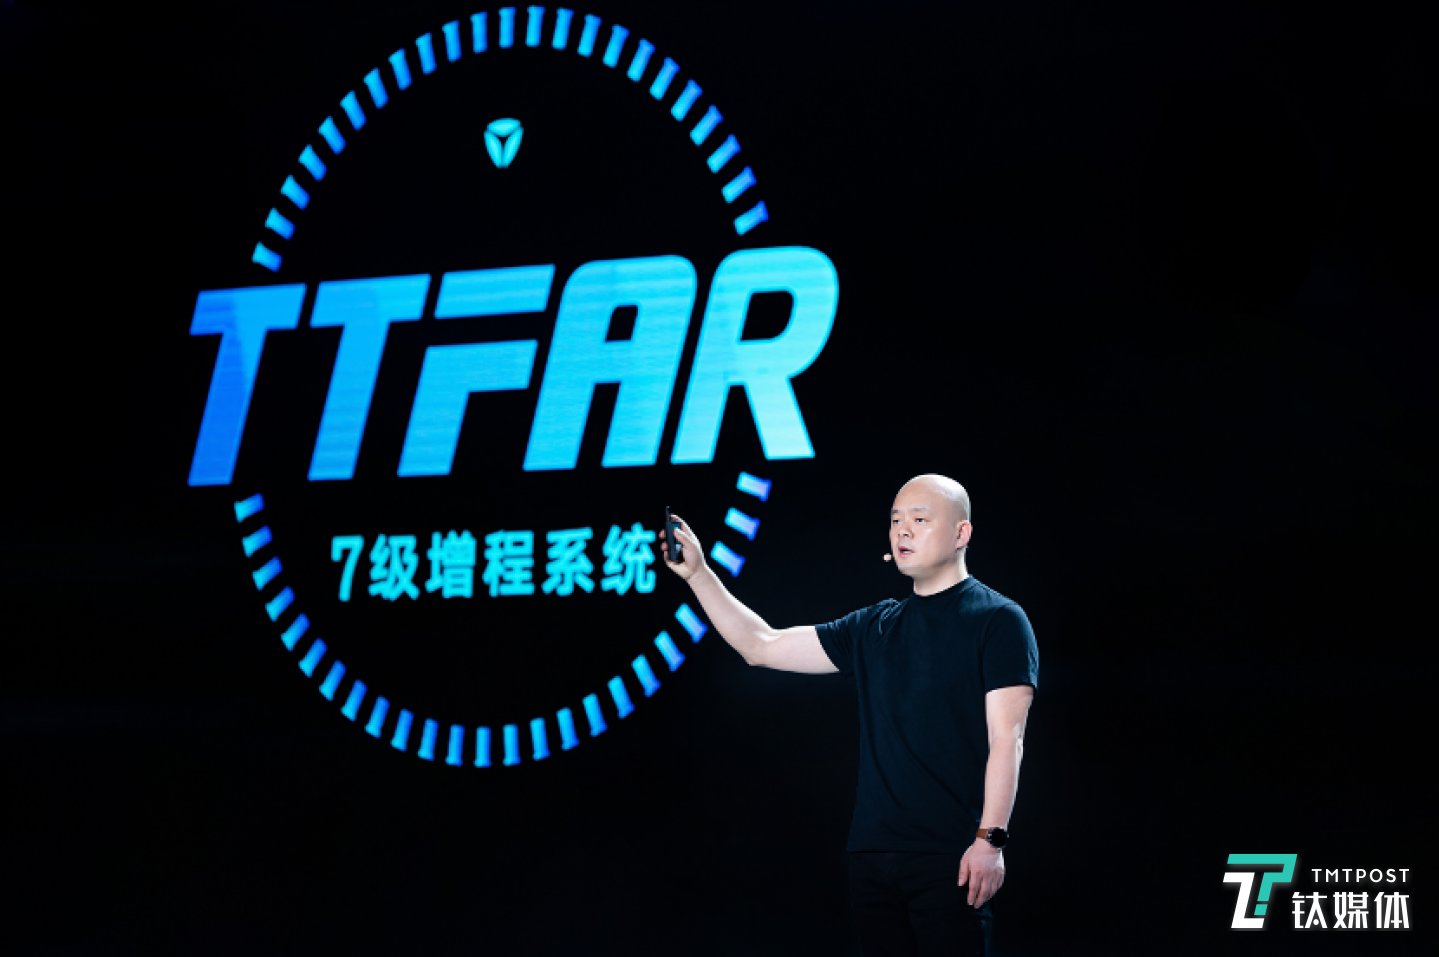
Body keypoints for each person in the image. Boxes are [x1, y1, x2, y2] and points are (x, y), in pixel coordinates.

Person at [660, 473, 1038, 957]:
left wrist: (990, 840)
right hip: (872, 857)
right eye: (896, 520)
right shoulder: (874, 626)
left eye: (920, 519)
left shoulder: (998, 620)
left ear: (961, 533)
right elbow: (761, 645)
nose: (903, 531)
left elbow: (1008, 738)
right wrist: (698, 574)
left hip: (952, 854)